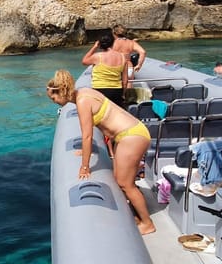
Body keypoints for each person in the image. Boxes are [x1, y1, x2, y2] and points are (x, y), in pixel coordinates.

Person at [46, 69, 156, 235]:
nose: (53, 101)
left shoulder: (83, 101)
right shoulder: (84, 93)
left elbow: (87, 136)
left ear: (61, 91)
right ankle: (138, 217)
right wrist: (84, 152)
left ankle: (147, 223)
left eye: (53, 98)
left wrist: (85, 166)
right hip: (130, 134)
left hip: (132, 136)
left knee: (126, 184)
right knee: (120, 180)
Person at [82, 34, 131, 108]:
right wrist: (123, 94)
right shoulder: (122, 57)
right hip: (116, 90)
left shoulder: (97, 56)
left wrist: (94, 47)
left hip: (99, 90)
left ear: (100, 44)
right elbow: (125, 80)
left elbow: (84, 61)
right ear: (113, 43)